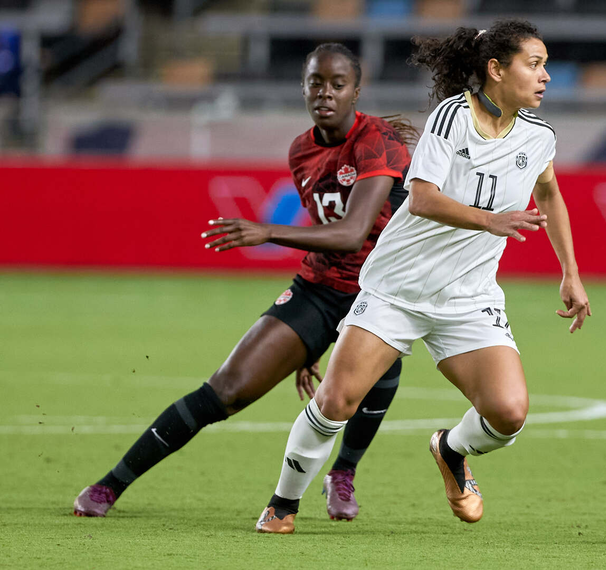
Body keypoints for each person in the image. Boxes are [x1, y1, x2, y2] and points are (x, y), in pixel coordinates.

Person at [255, 19, 591, 534]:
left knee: (508, 413)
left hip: (468, 297)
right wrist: (490, 220)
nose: (546, 76)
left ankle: (451, 450)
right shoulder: (451, 118)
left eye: (545, 65)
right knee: (336, 401)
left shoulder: (539, 135)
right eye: (535, 64)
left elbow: (548, 193)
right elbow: (422, 198)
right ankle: (283, 503)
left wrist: (570, 272)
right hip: (398, 289)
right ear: (496, 70)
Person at [73, 43, 415, 522]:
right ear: (303, 86)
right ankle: (110, 485)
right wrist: (310, 342)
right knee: (227, 388)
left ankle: (344, 473)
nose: (325, 93)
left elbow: (354, 232)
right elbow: (328, 235)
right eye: (316, 82)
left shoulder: (376, 141)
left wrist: (267, 230)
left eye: (338, 84)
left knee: (378, 371)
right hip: (320, 288)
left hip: (381, 293)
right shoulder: (301, 150)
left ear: (357, 91)